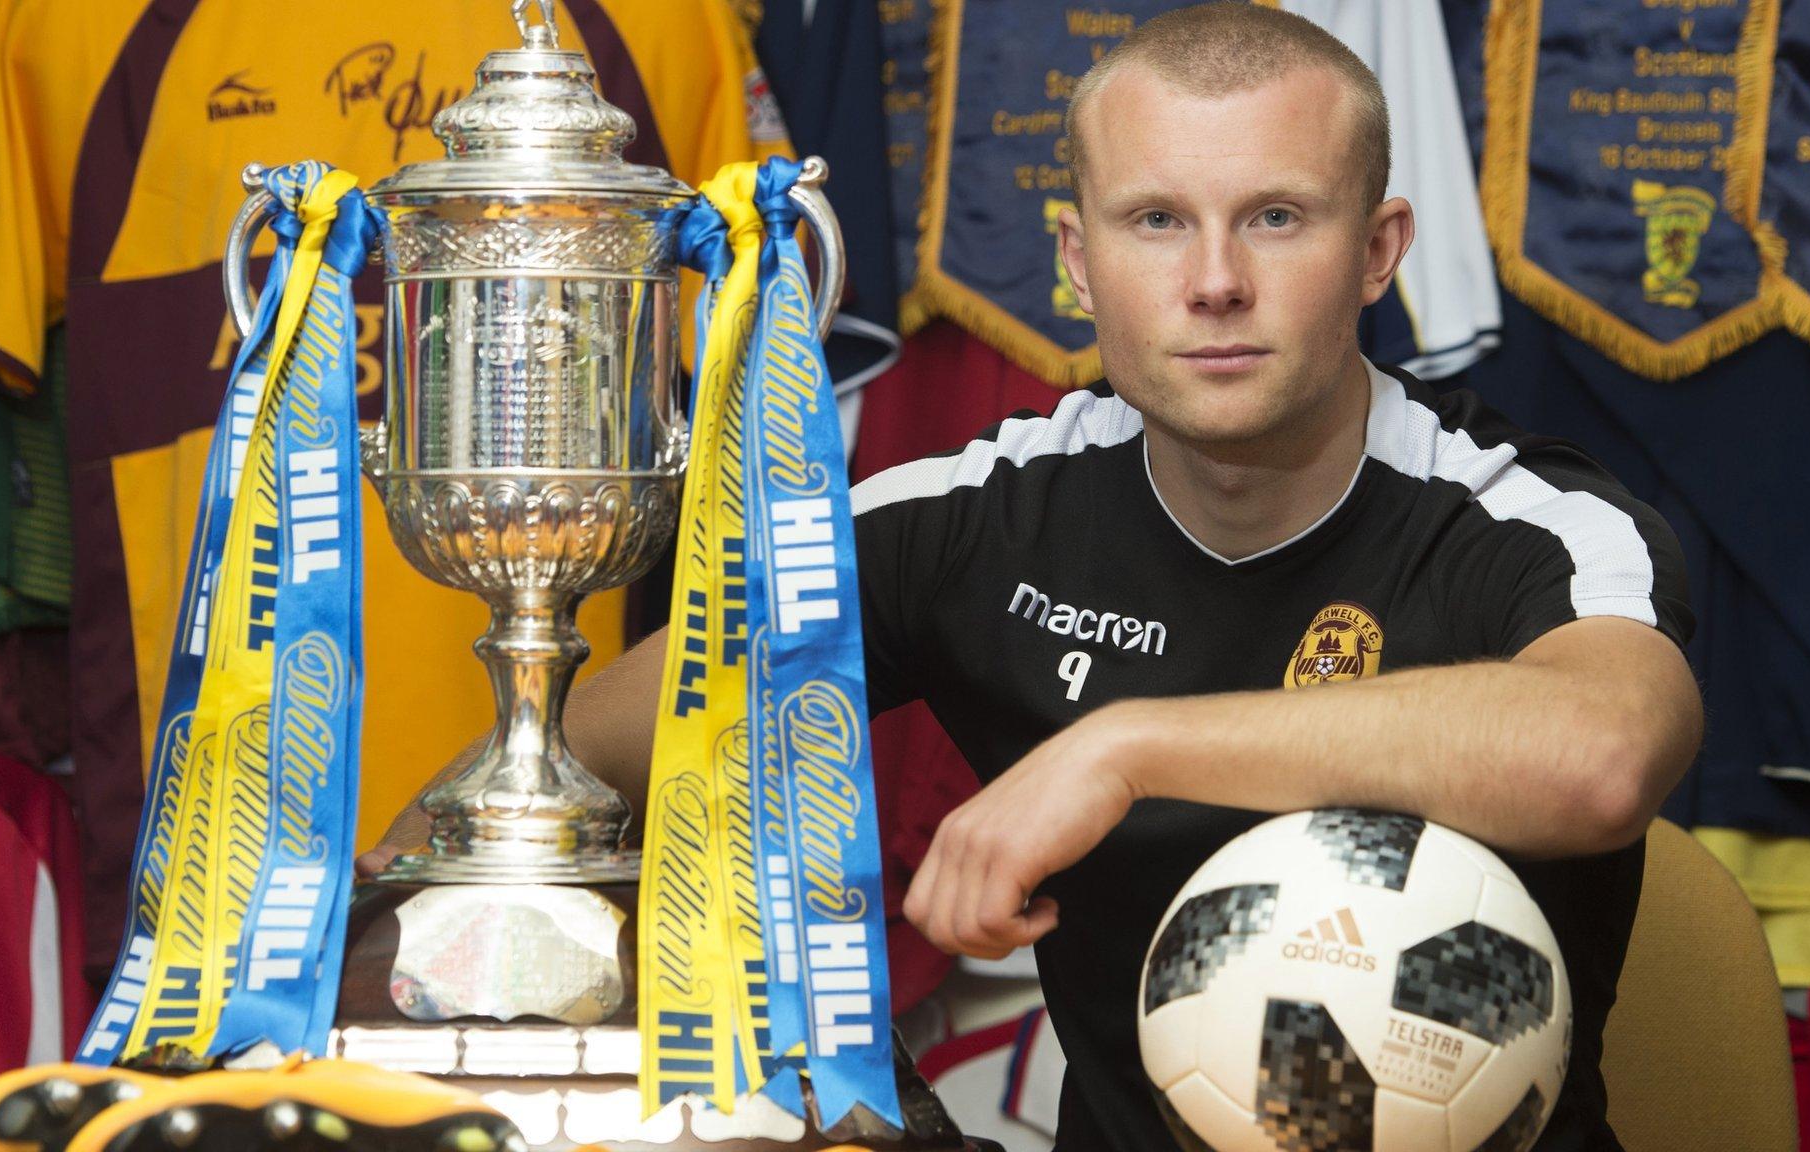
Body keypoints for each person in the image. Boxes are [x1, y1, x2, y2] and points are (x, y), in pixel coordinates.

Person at [363, 6, 1702, 1150]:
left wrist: (1123, 749)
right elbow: (543, 786)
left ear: (1379, 250)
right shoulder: (973, 518)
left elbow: (1600, 756)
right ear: (1077, 261)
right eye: (1157, 221)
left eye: (1277, 218)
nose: (1216, 282)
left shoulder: (1531, 520)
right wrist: (813, 1074)